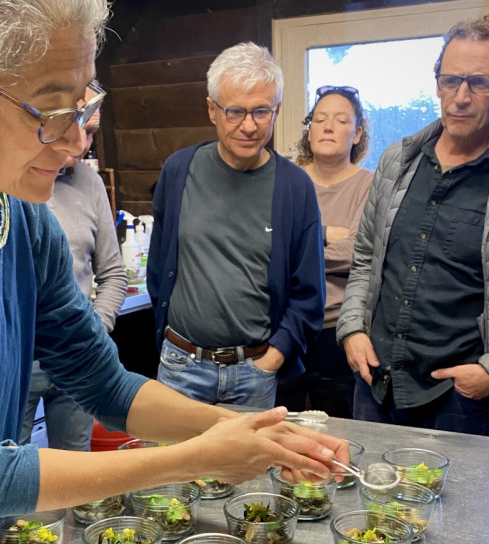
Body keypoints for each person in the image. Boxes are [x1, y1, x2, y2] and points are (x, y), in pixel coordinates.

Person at [0, 0, 348, 544]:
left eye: (85, 104)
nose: (77, 139)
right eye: (52, 109)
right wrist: (192, 459)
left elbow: (109, 388)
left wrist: (247, 430)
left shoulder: (23, 226)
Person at [147, 42, 325, 409]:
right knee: (175, 467)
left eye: (261, 111)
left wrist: (271, 361)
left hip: (254, 373)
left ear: (276, 110)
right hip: (180, 367)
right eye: (235, 112)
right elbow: (158, 268)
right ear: (212, 110)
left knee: (249, 470)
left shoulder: (294, 187)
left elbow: (309, 294)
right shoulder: (179, 171)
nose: (249, 126)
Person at [337, 16, 489, 435]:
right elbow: (366, 256)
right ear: (437, 81)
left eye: (479, 82)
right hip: (376, 383)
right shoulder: (398, 160)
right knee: (369, 500)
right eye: (451, 79)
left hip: (460, 399)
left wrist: (486, 373)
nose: (461, 97)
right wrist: (351, 330)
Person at [20, 100, 128, 450]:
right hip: (19, 361)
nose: (82, 143)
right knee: (10, 473)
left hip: (76, 356)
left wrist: (94, 330)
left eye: (92, 131)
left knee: (78, 470)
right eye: (74, 125)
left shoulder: (90, 182)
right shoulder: (10, 180)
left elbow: (113, 273)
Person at [277, 86, 373, 418]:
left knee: (338, 428)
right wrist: (328, 234)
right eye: (319, 119)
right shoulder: (286, 179)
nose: (328, 127)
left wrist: (299, 247)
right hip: (283, 324)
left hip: (339, 331)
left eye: (341, 120)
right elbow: (268, 247)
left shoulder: (370, 185)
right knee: (280, 426)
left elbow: (360, 253)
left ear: (358, 132)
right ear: (310, 129)